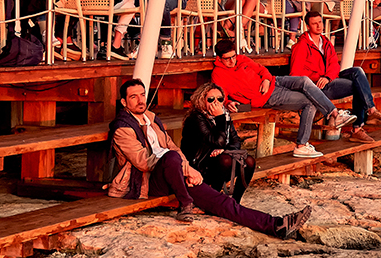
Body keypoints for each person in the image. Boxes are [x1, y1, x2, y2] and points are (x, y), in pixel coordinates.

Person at [108, 79, 311, 238]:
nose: (140, 99)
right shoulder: (122, 127)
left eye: (142, 94)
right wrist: (187, 169)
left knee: (223, 203)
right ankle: (186, 203)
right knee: (170, 158)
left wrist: (185, 169)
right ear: (124, 102)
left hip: (175, 173)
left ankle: (277, 225)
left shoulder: (152, 119)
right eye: (133, 97)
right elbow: (144, 161)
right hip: (147, 181)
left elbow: (173, 148)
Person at [212, 39, 354, 158]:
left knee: (304, 80)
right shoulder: (218, 74)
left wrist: (267, 79)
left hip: (274, 81)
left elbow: (262, 70)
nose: (232, 61)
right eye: (227, 58)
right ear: (219, 58)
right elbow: (221, 96)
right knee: (309, 103)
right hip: (267, 97)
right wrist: (229, 102)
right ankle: (301, 145)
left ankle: (335, 113)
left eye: (233, 56)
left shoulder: (241, 59)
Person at [289, 10, 381, 142]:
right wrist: (318, 78)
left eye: (320, 22)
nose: (319, 26)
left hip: (329, 79)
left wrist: (328, 77)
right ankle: (358, 128)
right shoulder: (301, 46)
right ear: (308, 26)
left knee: (357, 71)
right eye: (314, 24)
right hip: (316, 87)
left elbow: (334, 65)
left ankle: (371, 110)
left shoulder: (325, 42)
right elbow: (295, 74)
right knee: (357, 86)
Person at [181, 82, 255, 202]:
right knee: (225, 160)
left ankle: (235, 201)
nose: (216, 103)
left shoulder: (224, 115)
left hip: (217, 161)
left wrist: (224, 150)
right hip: (199, 166)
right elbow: (216, 142)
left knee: (249, 161)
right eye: (211, 99)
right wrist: (219, 118)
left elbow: (235, 140)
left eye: (219, 99)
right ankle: (214, 200)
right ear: (202, 101)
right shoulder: (196, 118)